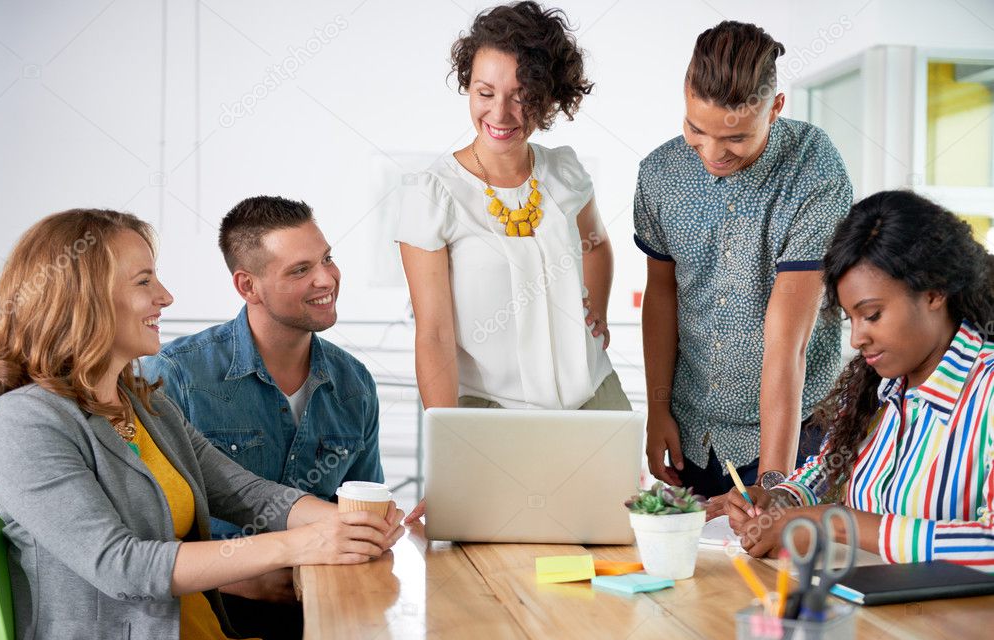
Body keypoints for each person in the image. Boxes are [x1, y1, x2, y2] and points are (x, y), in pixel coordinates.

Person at [0, 209, 403, 640]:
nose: (166, 297)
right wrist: (302, 543)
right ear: (84, 298)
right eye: (143, 282)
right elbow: (123, 567)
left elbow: (247, 494)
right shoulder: (26, 421)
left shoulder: (145, 408)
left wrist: (355, 523)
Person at [398, 2, 630, 520]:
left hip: (596, 401)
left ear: (548, 98)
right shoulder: (433, 194)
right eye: (485, 93)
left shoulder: (564, 172)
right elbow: (433, 334)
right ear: (468, 86)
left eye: (522, 96)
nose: (500, 114)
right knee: (504, 568)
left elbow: (596, 244)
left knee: (614, 547)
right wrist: (449, 455)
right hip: (493, 416)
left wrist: (598, 311)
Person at [141, 195, 395, 640]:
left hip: (327, 608)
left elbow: (359, 502)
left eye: (327, 259)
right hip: (213, 614)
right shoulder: (174, 375)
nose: (326, 279)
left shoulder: (354, 383)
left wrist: (375, 527)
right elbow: (145, 543)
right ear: (247, 286)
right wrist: (246, 580)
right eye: (300, 270)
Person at [634, 21, 852, 509]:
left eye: (734, 138)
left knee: (776, 577)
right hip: (692, 432)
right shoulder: (659, 174)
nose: (712, 152)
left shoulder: (813, 170)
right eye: (695, 129)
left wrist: (775, 484)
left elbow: (788, 343)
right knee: (694, 574)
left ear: (774, 108)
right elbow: (662, 296)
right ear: (685, 95)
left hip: (791, 436)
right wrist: (658, 410)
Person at [726, 191, 994, 571]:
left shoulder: (986, 390)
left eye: (872, 314)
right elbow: (824, 470)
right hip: (866, 613)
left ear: (935, 291)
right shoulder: (879, 390)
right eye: (851, 319)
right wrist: (779, 502)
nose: (856, 339)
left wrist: (835, 523)